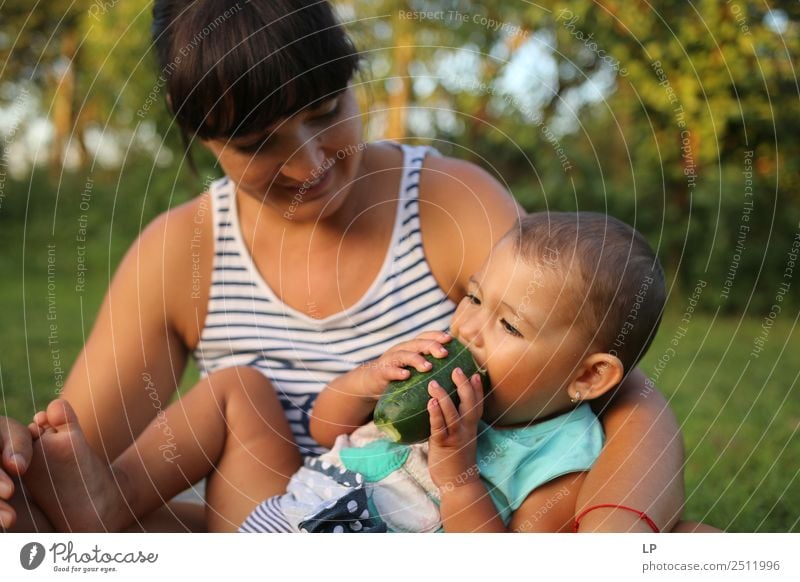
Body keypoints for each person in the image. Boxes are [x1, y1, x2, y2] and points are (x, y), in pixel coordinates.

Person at [0, 0, 684, 533]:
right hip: (275, 517)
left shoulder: (450, 205)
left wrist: (615, 536)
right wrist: (17, 458)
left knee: (690, 545)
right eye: (259, 143)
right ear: (201, 138)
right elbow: (69, 466)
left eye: (327, 112)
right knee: (44, 527)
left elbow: (609, 385)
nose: (310, 163)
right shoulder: (179, 255)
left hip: (418, 531)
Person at [22, 212, 665, 534]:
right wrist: (364, 383)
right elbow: (327, 427)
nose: (467, 328)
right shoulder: (430, 375)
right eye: (472, 297)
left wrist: (460, 472)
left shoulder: (561, 462)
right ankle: (107, 500)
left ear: (587, 377)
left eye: (509, 326)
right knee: (237, 389)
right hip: (282, 513)